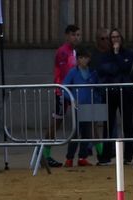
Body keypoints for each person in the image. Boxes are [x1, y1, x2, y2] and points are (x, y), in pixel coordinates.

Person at [96, 28, 133, 165]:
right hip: (110, 91)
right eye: (112, 37)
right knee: (108, 124)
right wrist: (115, 65)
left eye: (117, 37)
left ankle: (128, 155)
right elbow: (103, 69)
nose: (115, 40)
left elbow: (126, 68)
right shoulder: (104, 55)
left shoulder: (129, 53)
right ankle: (106, 156)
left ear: (121, 39)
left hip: (125, 92)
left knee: (127, 124)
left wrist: (117, 55)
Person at [46, 24, 80, 169]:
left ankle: (95, 153)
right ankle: (45, 154)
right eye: (73, 34)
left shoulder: (76, 51)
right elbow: (65, 72)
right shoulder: (63, 52)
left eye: (78, 35)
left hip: (74, 90)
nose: (76, 37)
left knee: (83, 119)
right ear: (67, 35)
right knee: (57, 121)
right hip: (63, 90)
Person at [62, 48, 100, 167]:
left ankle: (82, 157)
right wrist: (72, 100)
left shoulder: (92, 72)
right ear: (77, 59)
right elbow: (64, 88)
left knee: (87, 132)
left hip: (89, 105)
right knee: (75, 132)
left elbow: (97, 87)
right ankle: (69, 158)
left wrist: (97, 100)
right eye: (81, 58)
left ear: (89, 59)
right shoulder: (73, 72)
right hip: (77, 106)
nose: (83, 60)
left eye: (86, 58)